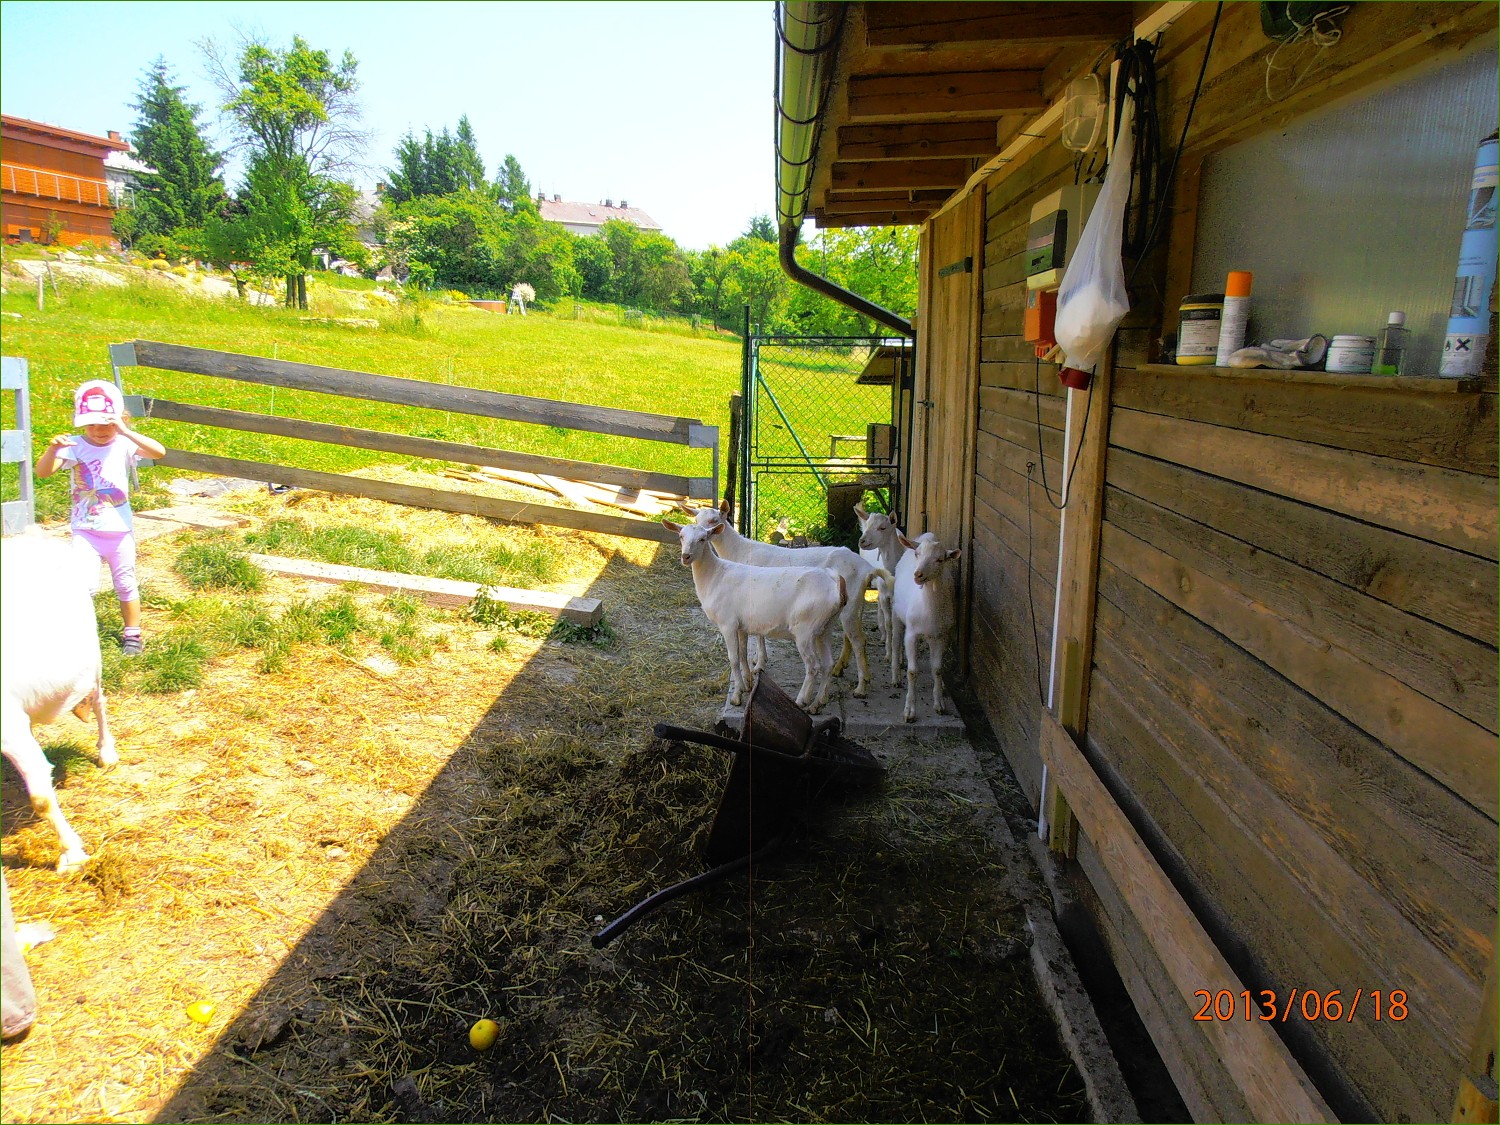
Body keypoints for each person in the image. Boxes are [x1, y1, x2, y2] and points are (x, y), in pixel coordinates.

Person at [34, 380, 166, 656]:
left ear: (119, 420)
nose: (99, 430)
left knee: (126, 583)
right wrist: (53, 449)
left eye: (107, 424)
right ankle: (79, 634)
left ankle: (133, 635)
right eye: (91, 425)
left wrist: (126, 431)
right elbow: (43, 472)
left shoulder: (124, 444)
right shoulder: (75, 446)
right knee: (85, 585)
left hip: (120, 531)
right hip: (85, 530)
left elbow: (159, 452)